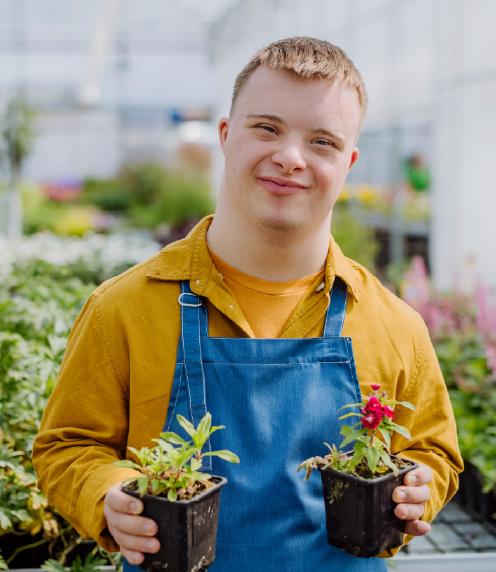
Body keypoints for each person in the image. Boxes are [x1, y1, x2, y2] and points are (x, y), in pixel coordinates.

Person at [33, 37, 463, 571]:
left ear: (349, 163)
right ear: (226, 135)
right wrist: (109, 495)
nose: (289, 157)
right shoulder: (124, 308)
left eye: (323, 141)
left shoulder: (394, 324)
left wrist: (418, 488)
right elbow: (68, 446)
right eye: (267, 127)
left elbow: (433, 451)